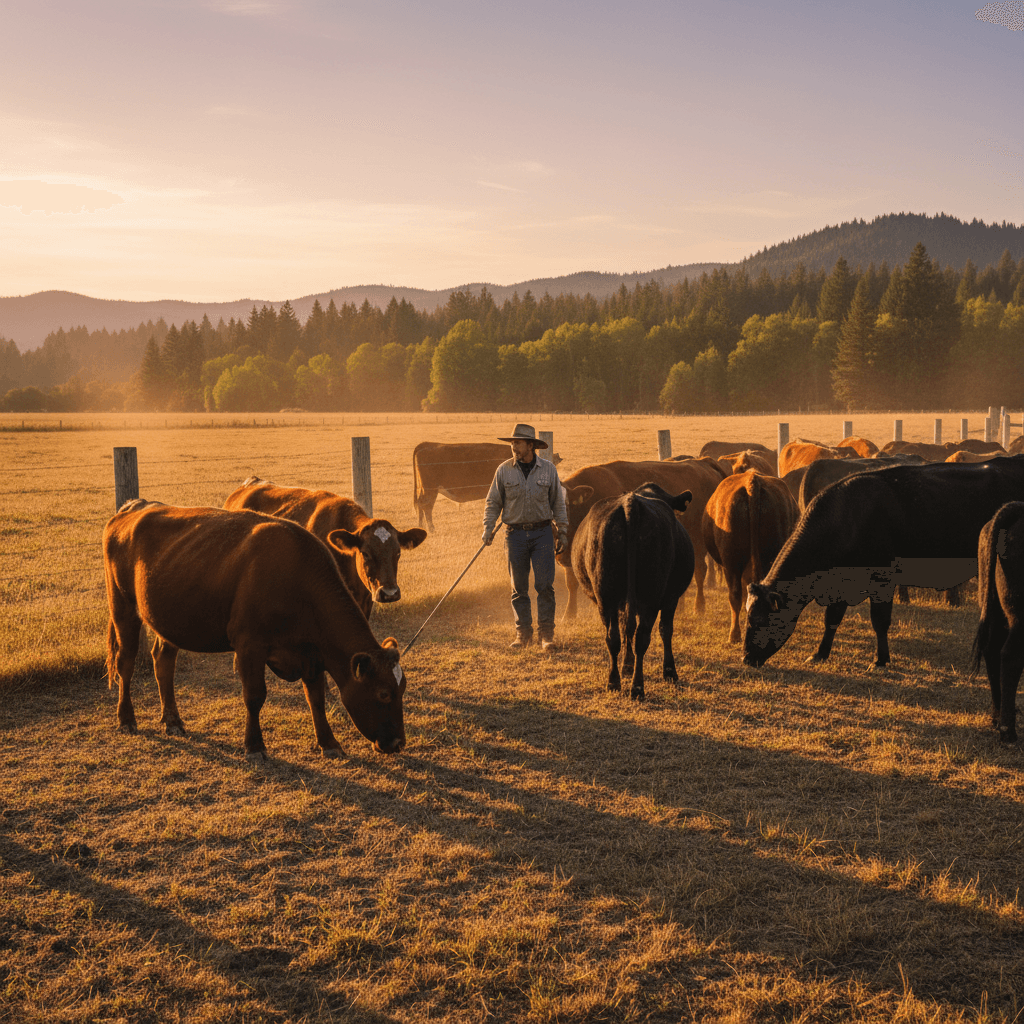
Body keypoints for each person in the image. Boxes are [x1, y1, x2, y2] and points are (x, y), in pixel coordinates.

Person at [482, 423, 569, 651]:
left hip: (542, 534)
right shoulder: (503, 470)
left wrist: (563, 531)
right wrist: (487, 528)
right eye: (512, 443)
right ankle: (523, 634)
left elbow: (558, 503)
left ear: (531, 446)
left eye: (518, 443)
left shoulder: (549, 469)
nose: (513, 447)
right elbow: (493, 502)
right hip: (515, 535)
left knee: (544, 585)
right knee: (518, 587)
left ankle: (546, 635)